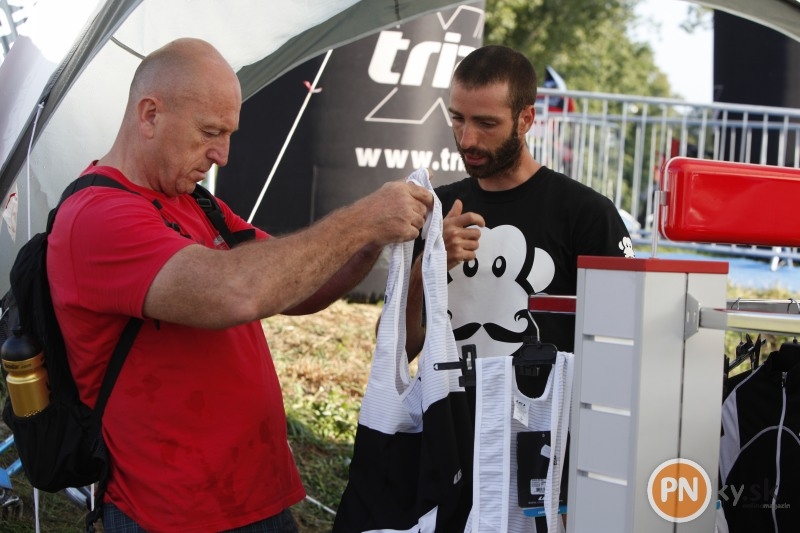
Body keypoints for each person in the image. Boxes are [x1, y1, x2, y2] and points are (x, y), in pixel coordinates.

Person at [46, 38, 432, 533]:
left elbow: (298, 285)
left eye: (228, 134)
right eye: (210, 132)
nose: (222, 155)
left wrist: (372, 239)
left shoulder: (192, 200)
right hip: (176, 514)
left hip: (253, 492)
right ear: (149, 115)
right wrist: (361, 220)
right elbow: (236, 292)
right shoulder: (98, 217)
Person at [403, 45, 634, 531]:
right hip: (450, 438)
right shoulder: (435, 211)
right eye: (457, 119)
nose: (467, 138)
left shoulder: (585, 214)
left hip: (546, 451)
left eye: (486, 123)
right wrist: (427, 265)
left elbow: (624, 350)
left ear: (526, 118)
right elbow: (400, 348)